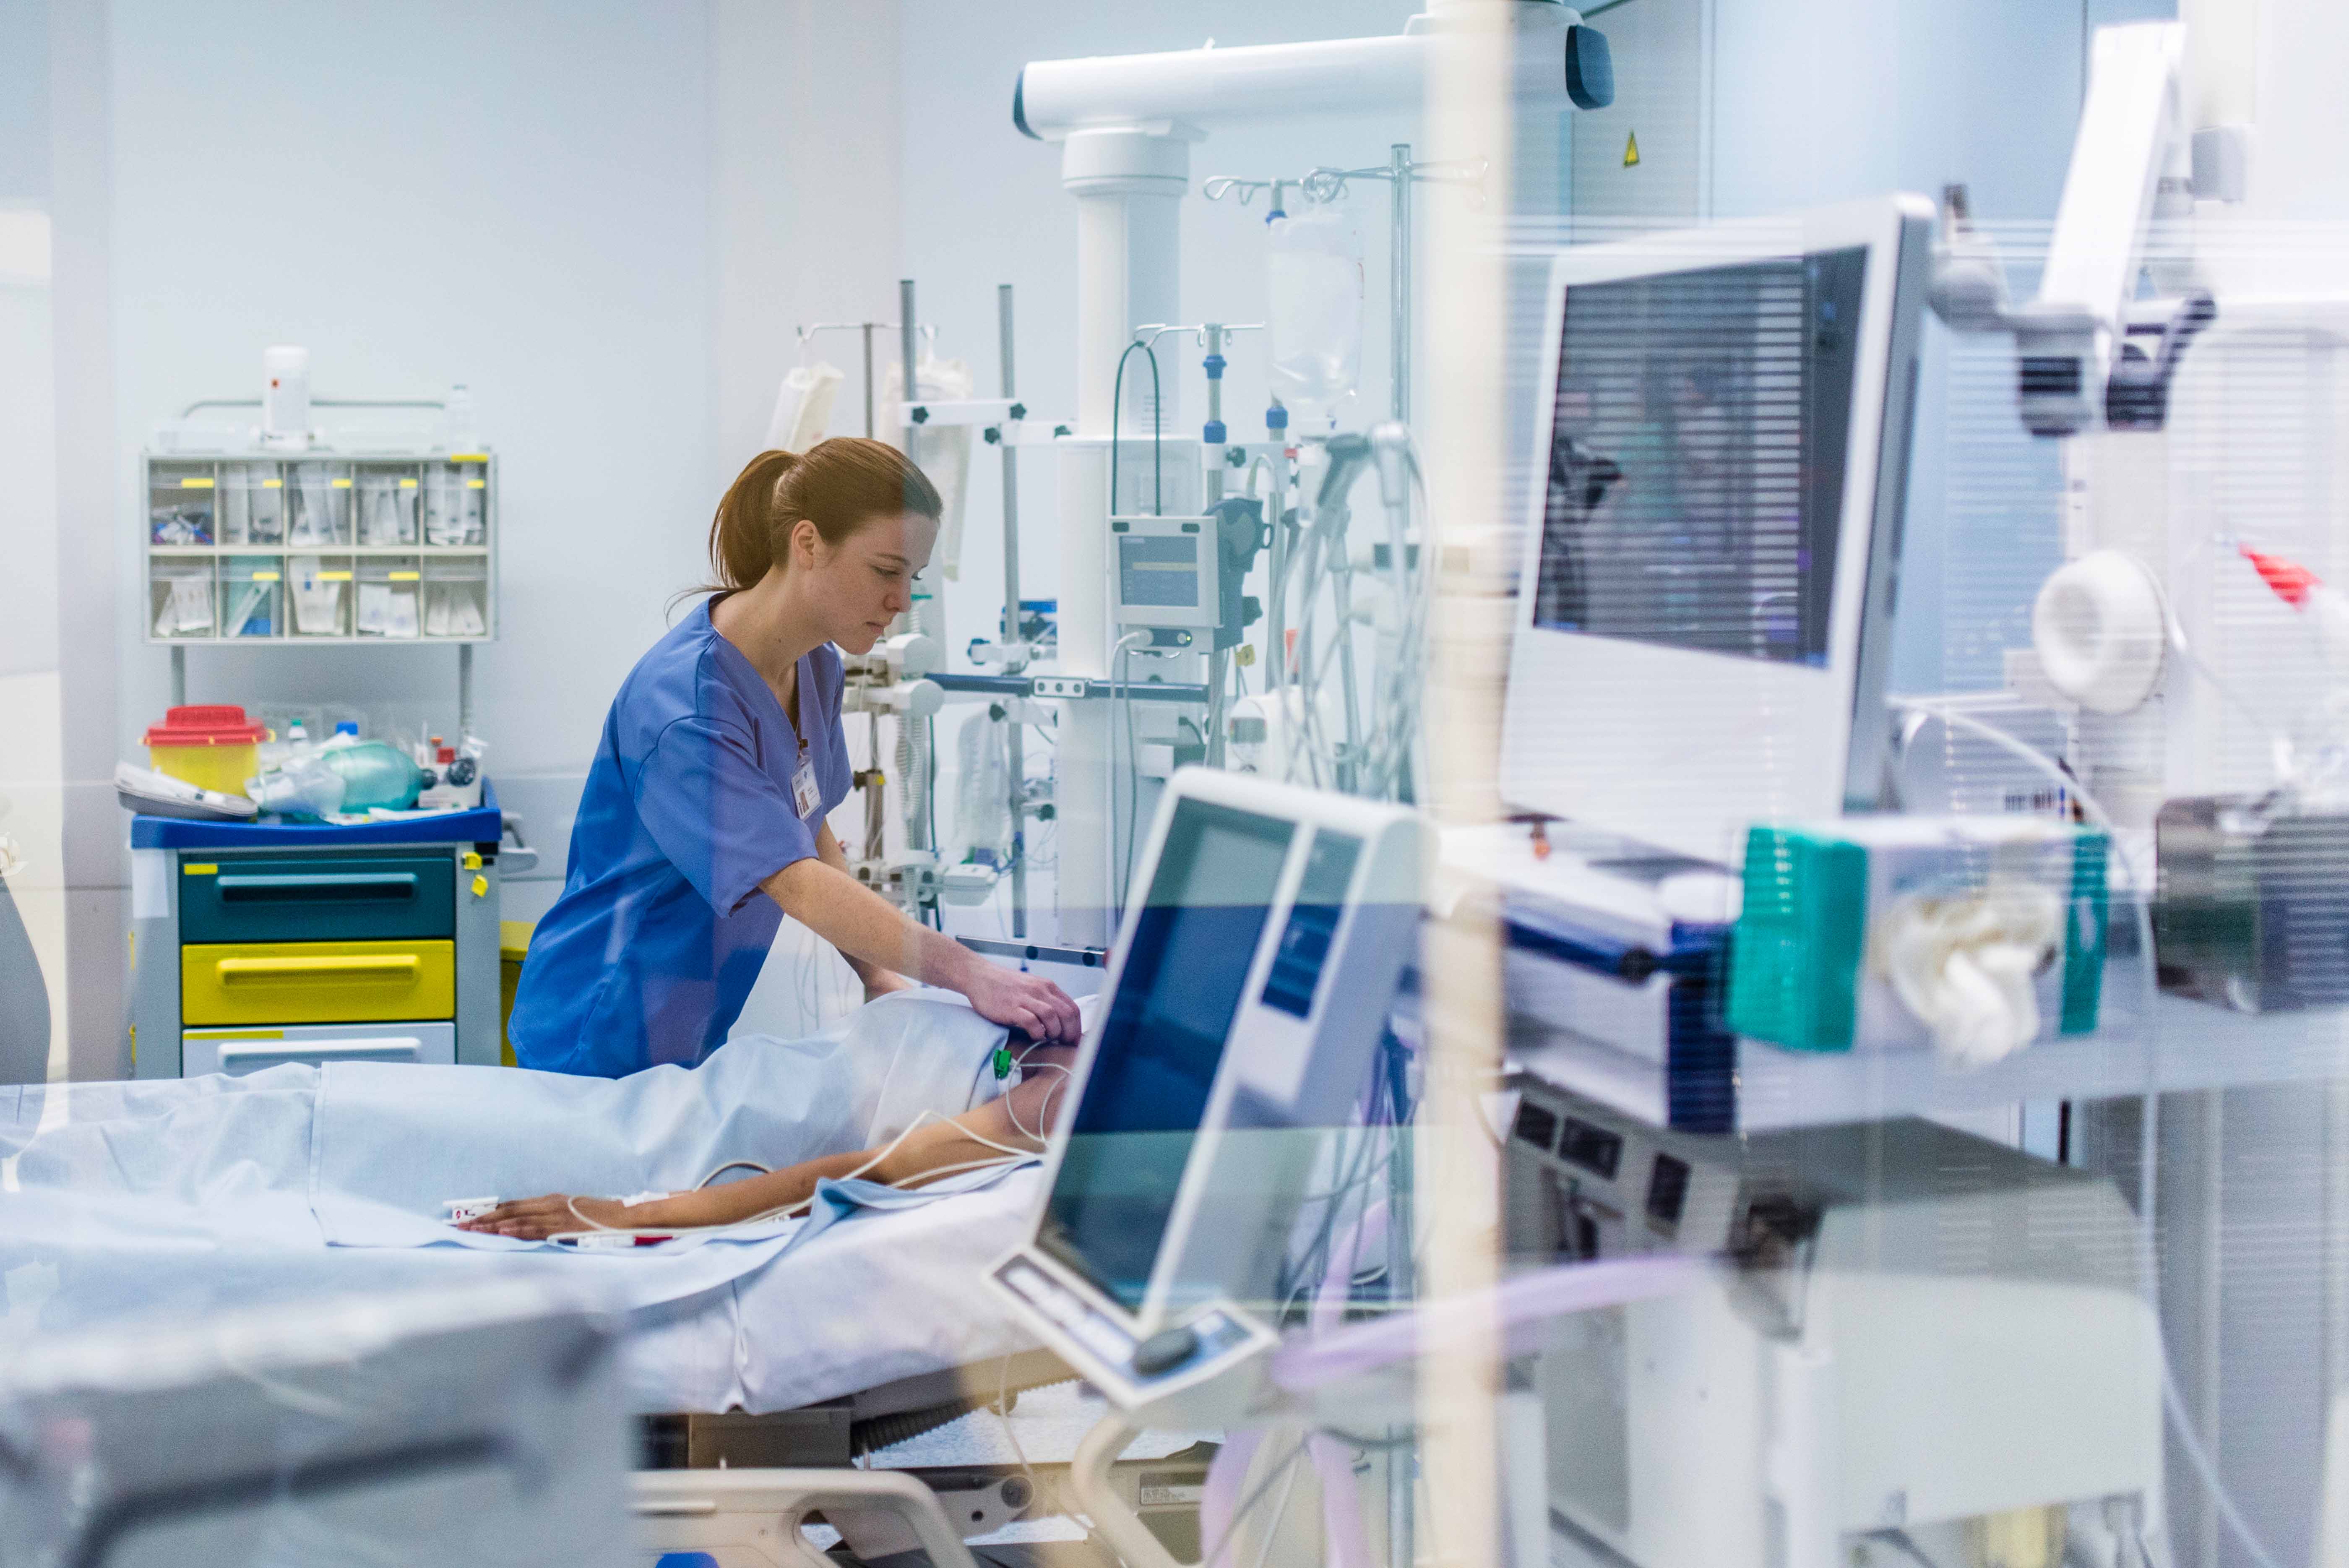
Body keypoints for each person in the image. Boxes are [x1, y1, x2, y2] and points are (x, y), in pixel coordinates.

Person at [510, 439, 1081, 1077]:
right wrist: (971, 972)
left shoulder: (815, 664)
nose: (903, 600)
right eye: (886, 571)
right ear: (808, 544)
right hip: (597, 1025)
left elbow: (806, 827)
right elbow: (795, 880)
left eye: (912, 577)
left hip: (689, 1024)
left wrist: (878, 973)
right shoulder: (686, 708)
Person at [457, 1037, 1077, 1240]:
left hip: (698, 1139)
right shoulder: (1088, 1011)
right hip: (713, 1087)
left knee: (477, 1146)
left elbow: (873, 1172)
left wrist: (621, 1213)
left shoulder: (1063, 1096)